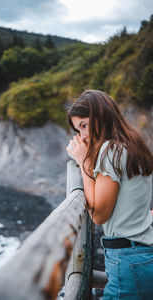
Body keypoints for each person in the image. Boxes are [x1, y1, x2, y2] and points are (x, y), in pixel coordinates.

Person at [66, 89, 153, 299]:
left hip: (128, 259)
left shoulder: (110, 150)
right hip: (142, 255)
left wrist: (84, 160)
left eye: (85, 124)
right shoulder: (133, 145)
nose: (84, 135)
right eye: (79, 129)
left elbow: (98, 214)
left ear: (101, 114)